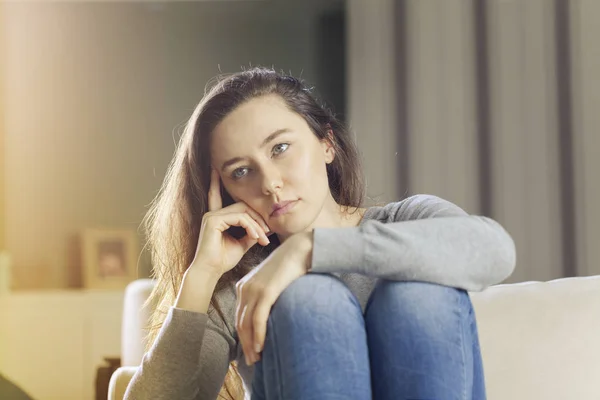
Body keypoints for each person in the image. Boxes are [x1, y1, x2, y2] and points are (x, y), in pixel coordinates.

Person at [124, 67, 516, 400]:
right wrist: (203, 274)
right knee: (310, 298)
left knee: (415, 293)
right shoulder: (246, 286)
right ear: (226, 192)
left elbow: (496, 251)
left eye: (280, 148)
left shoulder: (408, 221)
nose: (271, 184)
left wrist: (309, 250)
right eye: (241, 171)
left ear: (326, 143)